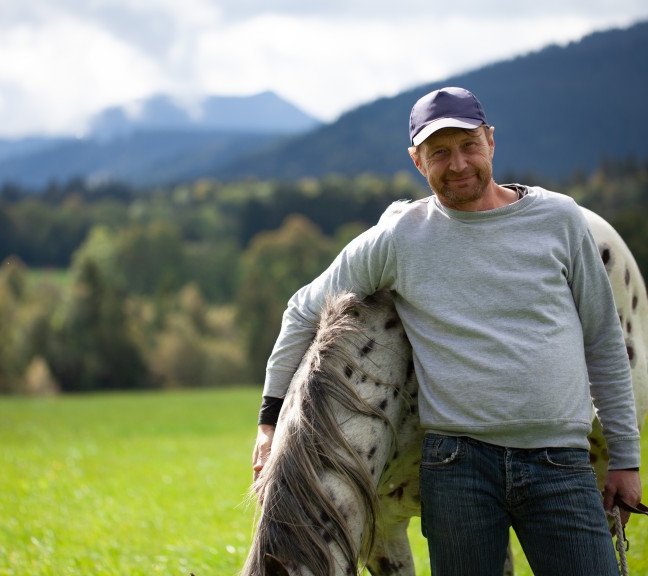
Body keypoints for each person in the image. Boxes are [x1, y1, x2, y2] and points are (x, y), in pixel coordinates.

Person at [251, 86, 642, 575]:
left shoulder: (558, 220)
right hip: (458, 471)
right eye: (439, 153)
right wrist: (269, 421)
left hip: (558, 463)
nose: (457, 164)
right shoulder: (399, 238)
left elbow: (604, 341)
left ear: (491, 141)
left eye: (468, 146)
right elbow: (302, 310)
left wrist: (625, 458)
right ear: (418, 161)